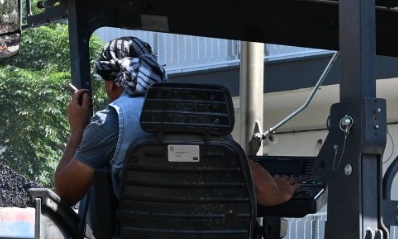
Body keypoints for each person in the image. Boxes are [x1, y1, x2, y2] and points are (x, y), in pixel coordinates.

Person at [52, 34, 303, 224]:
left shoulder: (111, 122)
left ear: (111, 85)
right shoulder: (198, 111)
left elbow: (66, 192)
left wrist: (78, 130)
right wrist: (281, 192)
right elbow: (260, 187)